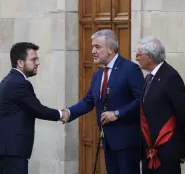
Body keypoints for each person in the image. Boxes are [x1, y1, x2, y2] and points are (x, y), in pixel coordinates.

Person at [63, 29, 144, 174]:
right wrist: (69, 112)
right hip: (108, 141)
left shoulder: (130, 69)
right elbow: (88, 101)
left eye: (97, 47)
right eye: (93, 47)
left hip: (127, 142)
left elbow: (141, 100)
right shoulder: (98, 74)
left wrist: (118, 113)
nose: (93, 51)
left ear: (111, 49)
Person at [0, 42, 69, 174]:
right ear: (20, 63)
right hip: (12, 151)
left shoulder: (10, 80)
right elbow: (37, 109)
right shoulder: (19, 83)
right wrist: (61, 114)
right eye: (33, 59)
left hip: (8, 150)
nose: (37, 63)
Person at [136, 36, 185, 174]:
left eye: (139, 54)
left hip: (166, 151)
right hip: (149, 149)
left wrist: (181, 148)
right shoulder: (149, 77)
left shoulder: (170, 77)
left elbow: (183, 114)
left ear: (150, 56)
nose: (136, 58)